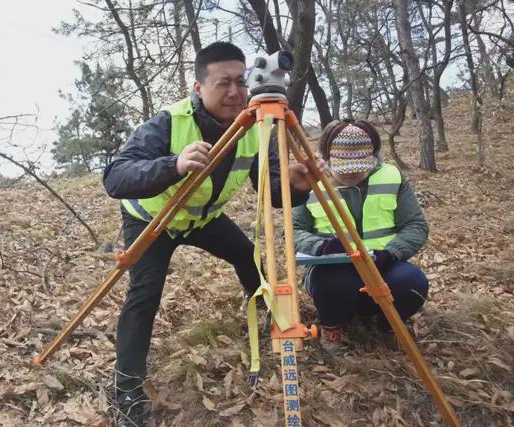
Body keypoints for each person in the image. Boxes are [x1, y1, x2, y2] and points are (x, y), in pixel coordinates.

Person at [102, 42, 324, 426]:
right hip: (155, 219)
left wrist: (297, 184)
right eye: (223, 83)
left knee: (247, 256)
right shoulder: (169, 122)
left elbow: (271, 191)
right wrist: (173, 164)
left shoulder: (254, 125)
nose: (235, 92)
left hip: (202, 218)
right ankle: (125, 390)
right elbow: (115, 177)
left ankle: (269, 318)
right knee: (144, 294)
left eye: (241, 81)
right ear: (198, 87)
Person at [292, 120, 429, 352]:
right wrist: (321, 247)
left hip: (384, 267)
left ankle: (387, 325)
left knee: (413, 282)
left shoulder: (391, 177)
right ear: (327, 158)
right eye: (344, 169)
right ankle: (332, 325)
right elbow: (293, 230)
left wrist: (392, 253)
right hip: (332, 269)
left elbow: (415, 225)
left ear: (373, 157)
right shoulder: (310, 180)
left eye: (360, 167)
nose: (352, 174)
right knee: (332, 283)